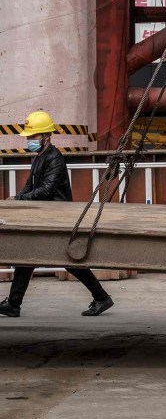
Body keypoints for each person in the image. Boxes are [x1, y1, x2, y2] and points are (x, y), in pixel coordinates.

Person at [0, 110, 114, 319]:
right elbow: (30, 185)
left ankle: (101, 297)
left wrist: (19, 200)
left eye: (34, 137)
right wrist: (17, 198)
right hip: (46, 216)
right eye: (29, 137)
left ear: (46, 137)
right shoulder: (39, 158)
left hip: (57, 216)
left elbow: (47, 190)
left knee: (67, 261)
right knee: (27, 258)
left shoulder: (54, 159)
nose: (30, 141)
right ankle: (14, 304)